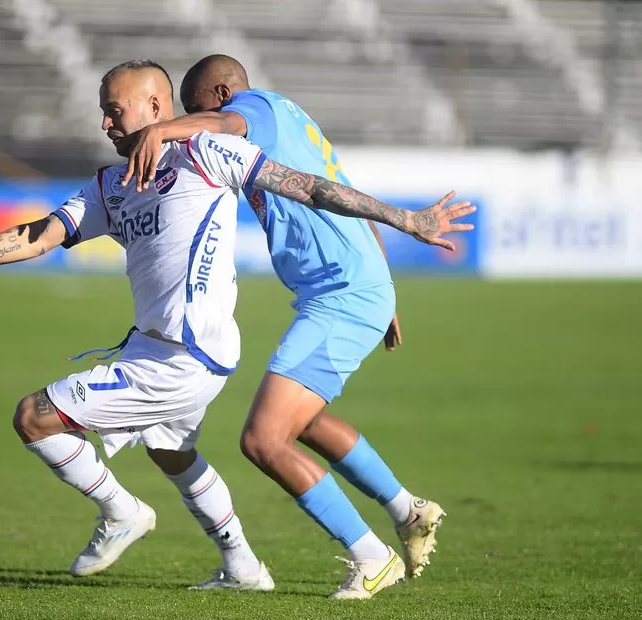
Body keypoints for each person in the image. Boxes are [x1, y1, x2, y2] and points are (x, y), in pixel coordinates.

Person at [0, 59, 473, 593]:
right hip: (158, 348)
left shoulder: (207, 153)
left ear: (154, 107)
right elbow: (39, 235)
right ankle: (243, 564)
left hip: (183, 356)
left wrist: (403, 220)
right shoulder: (108, 186)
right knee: (171, 451)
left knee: (34, 418)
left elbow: (312, 186)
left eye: (114, 109)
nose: (104, 122)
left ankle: (123, 512)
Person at [121, 54, 465, 599]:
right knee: (302, 423)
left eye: (196, 111)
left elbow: (222, 123)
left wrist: (163, 127)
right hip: (350, 290)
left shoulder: (254, 109)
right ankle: (409, 511)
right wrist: (383, 286)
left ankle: (371, 557)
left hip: (341, 297)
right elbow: (339, 190)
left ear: (219, 92)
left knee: (262, 439)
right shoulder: (289, 126)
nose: (194, 128)